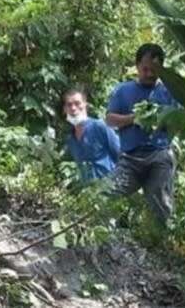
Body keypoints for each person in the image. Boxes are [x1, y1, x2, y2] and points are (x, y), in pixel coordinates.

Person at [106, 43, 177, 226]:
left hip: (159, 156)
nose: (150, 74)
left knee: (162, 207)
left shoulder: (169, 92)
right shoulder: (123, 91)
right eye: (145, 69)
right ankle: (98, 235)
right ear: (137, 66)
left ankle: (165, 242)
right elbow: (110, 120)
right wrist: (134, 118)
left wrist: (160, 120)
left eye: (154, 70)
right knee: (105, 194)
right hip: (130, 159)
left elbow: (178, 122)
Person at [64, 89, 120, 184]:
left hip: (112, 186)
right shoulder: (71, 139)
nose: (73, 108)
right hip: (89, 193)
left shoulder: (99, 126)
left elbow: (121, 154)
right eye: (69, 105)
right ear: (64, 109)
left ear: (85, 105)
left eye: (77, 103)